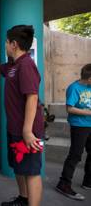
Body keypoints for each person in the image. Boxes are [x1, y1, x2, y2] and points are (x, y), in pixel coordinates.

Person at [0, 25, 44, 206]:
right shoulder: (13, 65)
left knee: (31, 171)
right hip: (15, 127)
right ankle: (23, 198)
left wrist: (27, 130)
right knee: (19, 167)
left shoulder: (26, 65)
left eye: (6, 42)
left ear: (13, 44)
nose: (5, 45)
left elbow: (32, 97)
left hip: (27, 130)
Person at [56, 64, 91, 201]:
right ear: (88, 79)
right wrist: (88, 113)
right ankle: (63, 183)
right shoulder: (74, 88)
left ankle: (88, 181)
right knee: (75, 155)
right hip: (79, 125)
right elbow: (69, 109)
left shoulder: (89, 86)